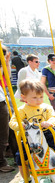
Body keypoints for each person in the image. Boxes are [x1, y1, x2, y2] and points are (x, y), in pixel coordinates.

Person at [9, 79, 55, 182]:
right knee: (20, 156)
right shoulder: (22, 110)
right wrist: (20, 125)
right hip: (30, 138)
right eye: (35, 97)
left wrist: (49, 122)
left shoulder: (46, 107)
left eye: (41, 97)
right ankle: (27, 179)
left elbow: (54, 118)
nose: (39, 100)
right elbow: (12, 122)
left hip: (46, 134)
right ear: (23, 97)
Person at [0, 44, 15, 173]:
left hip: (3, 96)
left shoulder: (3, 65)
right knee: (3, 133)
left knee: (11, 127)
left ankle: (13, 153)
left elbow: (7, 77)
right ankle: (1, 161)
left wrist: (6, 62)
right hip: (1, 99)